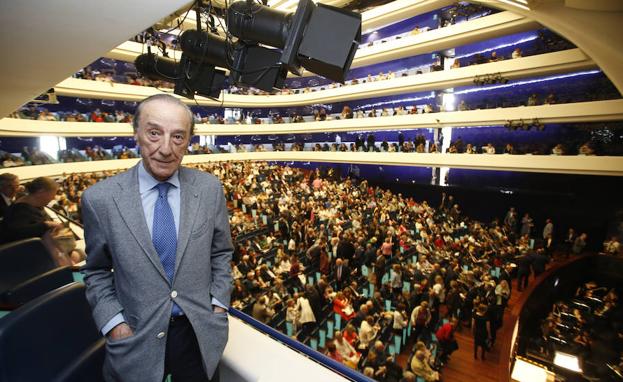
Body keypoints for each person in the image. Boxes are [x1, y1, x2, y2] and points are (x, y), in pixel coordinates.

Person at [82, 94, 233, 382]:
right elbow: (97, 271)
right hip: (135, 337)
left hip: (199, 334)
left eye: (178, 136)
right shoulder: (99, 199)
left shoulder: (210, 189)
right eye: (154, 133)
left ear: (189, 140)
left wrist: (218, 306)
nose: (166, 148)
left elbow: (221, 252)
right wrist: (115, 325)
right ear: (136, 132)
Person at [0, 177, 63, 249]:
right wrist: (46, 225)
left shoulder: (35, 205)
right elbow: (14, 233)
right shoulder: (19, 210)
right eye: (52, 194)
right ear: (41, 192)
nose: (53, 198)